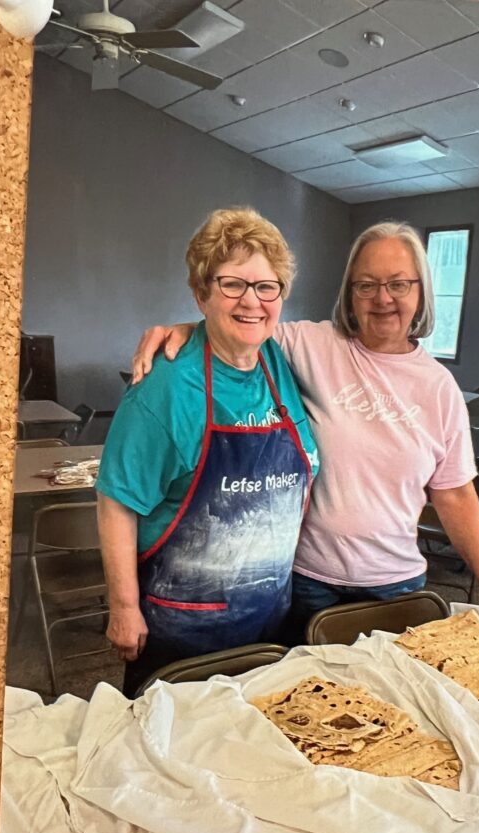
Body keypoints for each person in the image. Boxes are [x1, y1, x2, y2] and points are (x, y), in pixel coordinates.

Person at [132, 220, 479, 638]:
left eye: (398, 284)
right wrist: (183, 330)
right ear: (350, 292)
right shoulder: (311, 344)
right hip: (308, 582)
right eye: (367, 285)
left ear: (420, 291)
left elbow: (453, 492)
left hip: (396, 586)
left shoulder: (439, 388)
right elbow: (242, 322)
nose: (382, 298)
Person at [96, 208, 318, 697]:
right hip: (182, 635)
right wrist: (123, 606)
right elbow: (117, 500)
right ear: (201, 293)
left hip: (270, 621)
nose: (252, 301)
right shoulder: (167, 386)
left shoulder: (280, 360)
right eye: (232, 284)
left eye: (266, 286)